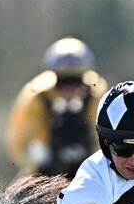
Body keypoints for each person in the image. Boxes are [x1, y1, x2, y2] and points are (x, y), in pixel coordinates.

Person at [6, 37, 108, 179]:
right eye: (63, 81)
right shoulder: (36, 96)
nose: (70, 89)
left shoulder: (96, 93)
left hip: (89, 167)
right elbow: (18, 141)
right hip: (44, 167)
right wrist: (36, 167)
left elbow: (105, 137)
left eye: (76, 81)